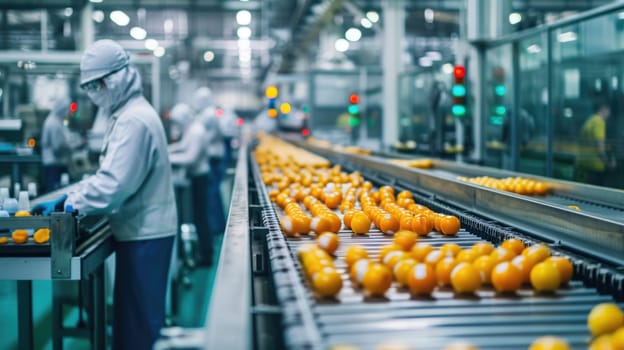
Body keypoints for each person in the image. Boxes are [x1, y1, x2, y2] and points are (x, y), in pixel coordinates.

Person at [32, 39, 177, 350]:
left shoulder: (134, 121)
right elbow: (108, 176)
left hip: (145, 236)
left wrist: (72, 203)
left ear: (116, 79)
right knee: (131, 323)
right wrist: (76, 193)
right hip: (139, 232)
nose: (93, 93)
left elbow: (114, 185)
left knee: (138, 330)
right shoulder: (127, 115)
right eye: (88, 87)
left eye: (97, 85)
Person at [167, 103, 213, 265]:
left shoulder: (196, 132)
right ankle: (203, 251)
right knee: (199, 216)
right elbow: (182, 146)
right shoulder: (193, 129)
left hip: (200, 177)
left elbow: (190, 158)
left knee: (201, 217)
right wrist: (167, 149)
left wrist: (167, 158)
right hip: (196, 177)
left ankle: (206, 255)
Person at [192, 87, 226, 235]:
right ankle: (218, 224)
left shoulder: (208, 115)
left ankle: (217, 226)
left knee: (212, 193)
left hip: (213, 159)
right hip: (215, 157)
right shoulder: (209, 113)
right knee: (214, 192)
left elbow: (205, 138)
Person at [41, 96, 72, 192]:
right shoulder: (53, 123)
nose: (68, 111)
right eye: (67, 109)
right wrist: (71, 146)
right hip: (54, 165)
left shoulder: (57, 121)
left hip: (57, 164)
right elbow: (57, 147)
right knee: (54, 192)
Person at [575, 103, 611, 186]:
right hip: (595, 166)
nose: (609, 115)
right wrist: (608, 163)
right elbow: (599, 146)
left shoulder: (590, 121)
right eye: (609, 111)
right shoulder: (599, 122)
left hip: (583, 164)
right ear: (604, 109)